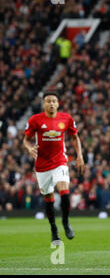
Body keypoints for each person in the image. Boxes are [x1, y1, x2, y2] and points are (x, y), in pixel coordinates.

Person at [23, 92, 85, 244]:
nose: (51, 104)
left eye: (54, 101)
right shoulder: (35, 120)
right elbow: (25, 140)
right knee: (48, 198)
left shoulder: (66, 118)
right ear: (44, 104)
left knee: (64, 190)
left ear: (58, 104)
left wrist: (79, 156)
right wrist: (29, 148)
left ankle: (65, 222)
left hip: (59, 161)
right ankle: (53, 229)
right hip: (42, 165)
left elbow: (75, 137)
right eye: (48, 101)